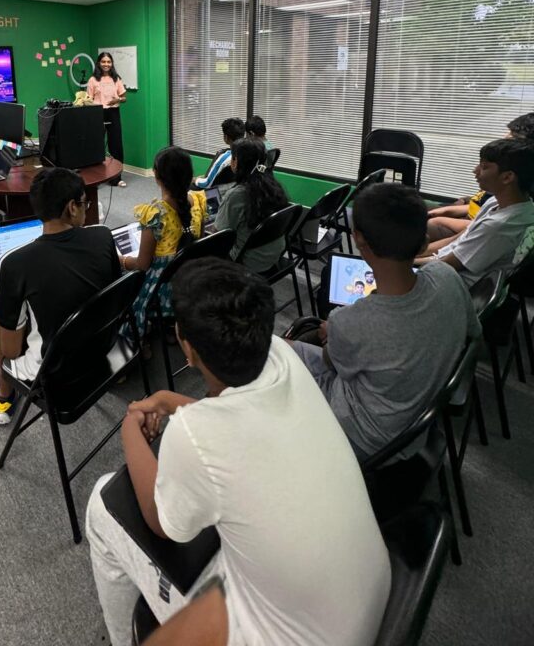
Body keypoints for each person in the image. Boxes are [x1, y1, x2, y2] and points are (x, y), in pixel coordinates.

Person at [86, 259, 391, 646]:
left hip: (291, 636)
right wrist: (168, 401)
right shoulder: (282, 355)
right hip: (365, 600)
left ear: (187, 347)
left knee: (101, 504)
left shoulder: (193, 433)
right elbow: (239, 419)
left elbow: (162, 522)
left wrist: (130, 428)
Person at [291, 183, 481, 460]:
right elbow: (473, 332)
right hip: (414, 424)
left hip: (362, 438)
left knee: (277, 356)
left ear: (359, 240)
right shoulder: (448, 278)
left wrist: (334, 332)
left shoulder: (349, 320)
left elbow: (332, 363)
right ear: (424, 241)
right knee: (288, 348)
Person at [0, 166, 121, 424]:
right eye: (85, 203)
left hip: (55, 375)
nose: (86, 208)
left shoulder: (14, 263)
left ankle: (5, 393)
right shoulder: (103, 235)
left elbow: (10, 350)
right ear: (72, 207)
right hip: (106, 348)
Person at [415, 138, 534, 287]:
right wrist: (412, 254)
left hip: (455, 283)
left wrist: (404, 262)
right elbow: (458, 239)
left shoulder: (498, 226)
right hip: (444, 265)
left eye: (484, 167)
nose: (475, 170)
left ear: (507, 177)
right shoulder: (502, 203)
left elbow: (449, 265)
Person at [121, 147, 207, 337]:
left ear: (157, 176)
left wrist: (122, 259)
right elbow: (197, 240)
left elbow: (142, 265)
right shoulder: (198, 201)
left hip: (162, 291)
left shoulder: (156, 214)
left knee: (121, 275)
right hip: (189, 279)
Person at [425, 111, 534, 252]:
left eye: (511, 137)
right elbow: (488, 205)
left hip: (473, 226)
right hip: (472, 214)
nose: (504, 137)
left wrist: (444, 219)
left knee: (425, 223)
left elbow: (485, 227)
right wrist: (452, 208)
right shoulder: (495, 193)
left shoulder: (518, 183)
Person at [213, 137, 289, 273]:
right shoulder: (273, 187)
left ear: (236, 162)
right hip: (274, 256)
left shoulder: (235, 195)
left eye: (233, 158)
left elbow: (218, 236)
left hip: (248, 263)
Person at [87, 52, 127, 187]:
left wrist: (118, 99)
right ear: (99, 63)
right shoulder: (93, 80)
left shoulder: (116, 79)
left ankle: (116, 178)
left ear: (112, 63)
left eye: (109, 62)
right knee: (96, 145)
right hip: (97, 113)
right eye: (103, 61)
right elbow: (88, 99)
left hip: (113, 112)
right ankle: (95, 179)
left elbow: (124, 98)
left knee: (116, 144)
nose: (106, 64)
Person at [192, 117, 244, 189]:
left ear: (226, 137)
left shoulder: (225, 157)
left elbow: (207, 184)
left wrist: (195, 180)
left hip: (216, 192)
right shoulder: (249, 154)